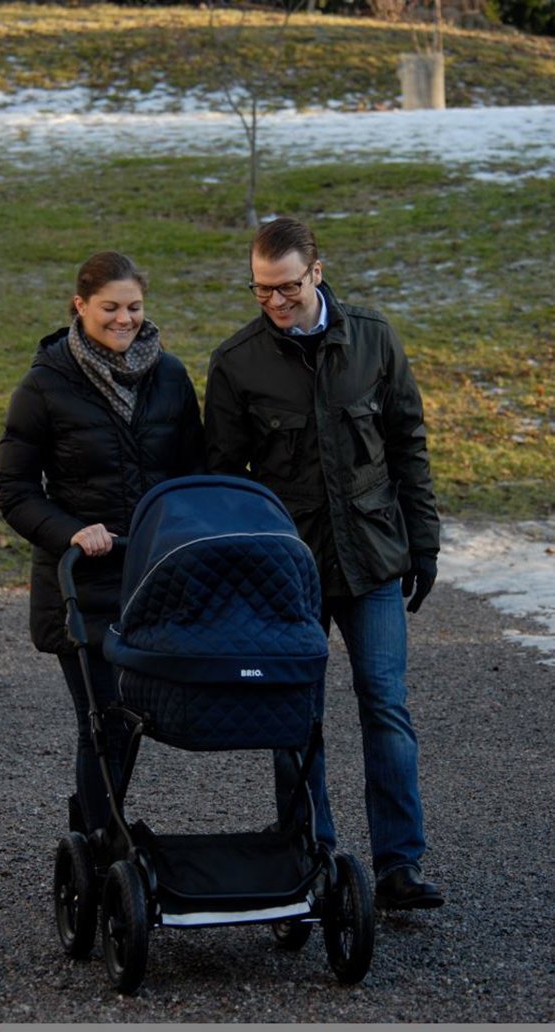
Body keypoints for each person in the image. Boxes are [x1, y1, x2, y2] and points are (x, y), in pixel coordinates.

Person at [204, 217, 444, 910]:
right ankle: (308, 860)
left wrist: (422, 543)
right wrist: (241, 574)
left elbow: (409, 446)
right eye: (260, 291)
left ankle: (399, 867)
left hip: (371, 559)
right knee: (291, 719)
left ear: (317, 271)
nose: (276, 302)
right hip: (288, 572)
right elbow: (225, 481)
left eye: (286, 287)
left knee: (386, 708)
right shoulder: (237, 362)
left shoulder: (373, 337)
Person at [0, 250, 205, 836]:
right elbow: (13, 487)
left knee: (134, 716)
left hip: (154, 577)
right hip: (81, 583)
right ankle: (97, 840)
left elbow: (193, 470)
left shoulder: (170, 376)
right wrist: (70, 530)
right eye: (109, 307)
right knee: (104, 717)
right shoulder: (45, 384)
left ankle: (95, 826)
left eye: (134, 307)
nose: (123, 319)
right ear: (80, 307)